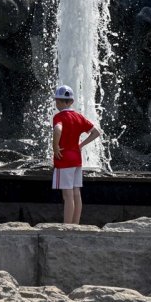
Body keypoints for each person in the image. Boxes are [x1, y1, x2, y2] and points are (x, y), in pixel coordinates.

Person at [51, 85, 102, 225]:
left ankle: (67, 226)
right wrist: (81, 145)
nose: (57, 103)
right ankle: (75, 224)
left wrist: (55, 146)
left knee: (67, 196)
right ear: (71, 101)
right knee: (76, 193)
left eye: (58, 101)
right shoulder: (79, 116)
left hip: (64, 159)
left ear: (59, 102)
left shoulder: (59, 117)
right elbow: (96, 132)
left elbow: (57, 129)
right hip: (76, 159)